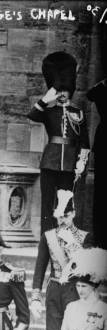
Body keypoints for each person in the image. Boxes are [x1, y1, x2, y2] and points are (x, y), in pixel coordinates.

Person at [31, 190, 93, 330]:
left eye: (66, 216)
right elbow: (40, 268)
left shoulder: (84, 238)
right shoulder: (48, 236)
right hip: (55, 291)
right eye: (59, 216)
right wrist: (35, 296)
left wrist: (74, 247)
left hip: (75, 292)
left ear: (73, 213)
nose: (62, 220)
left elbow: (88, 269)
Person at [27, 52, 90, 233]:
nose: (62, 94)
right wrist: (46, 99)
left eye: (64, 90)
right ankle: (46, 236)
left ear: (70, 90)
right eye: (58, 90)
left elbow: (84, 141)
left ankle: (63, 236)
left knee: (66, 201)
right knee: (47, 201)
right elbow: (32, 115)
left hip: (70, 163)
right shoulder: (48, 111)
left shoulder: (78, 113)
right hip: (50, 161)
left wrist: (81, 161)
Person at [53, 248, 107, 330]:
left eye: (84, 286)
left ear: (93, 287)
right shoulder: (71, 307)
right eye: (78, 286)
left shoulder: (102, 307)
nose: (80, 290)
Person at [86, 79, 107, 248]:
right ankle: (100, 239)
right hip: (104, 145)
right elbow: (90, 95)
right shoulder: (101, 90)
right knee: (101, 195)